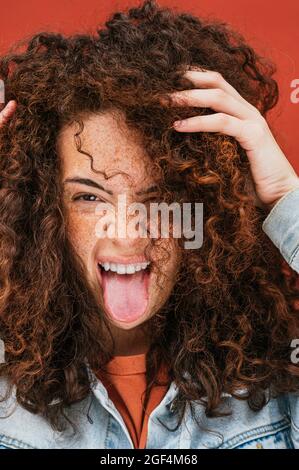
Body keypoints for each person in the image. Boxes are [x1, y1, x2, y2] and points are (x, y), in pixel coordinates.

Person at [0, 0, 299, 449]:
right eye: (89, 197)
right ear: (44, 213)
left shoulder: (276, 383)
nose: (125, 234)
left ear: (208, 208)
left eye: (158, 199)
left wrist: (283, 195)